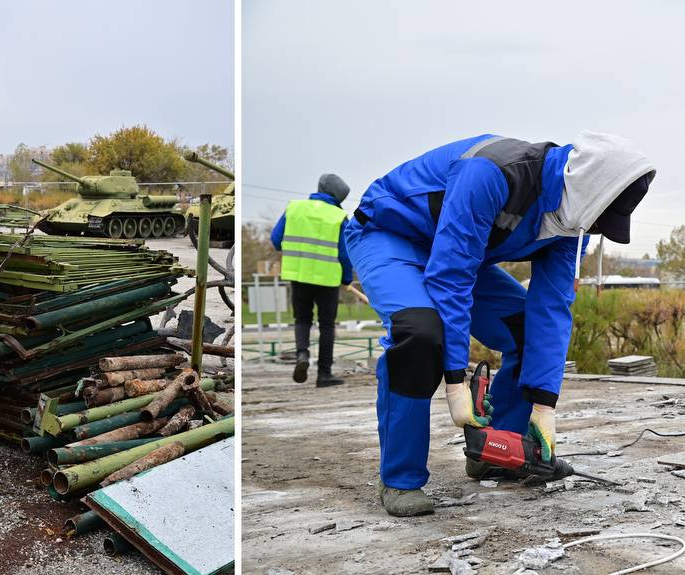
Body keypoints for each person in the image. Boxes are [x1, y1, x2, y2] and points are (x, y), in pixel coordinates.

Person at [343, 132, 654, 516]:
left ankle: (494, 449)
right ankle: (401, 479)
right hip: (391, 236)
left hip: (459, 257)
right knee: (419, 333)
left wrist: (545, 406)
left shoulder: (572, 222)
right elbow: (451, 275)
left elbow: (552, 307)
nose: (590, 231)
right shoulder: (492, 172)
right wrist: (455, 383)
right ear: (588, 187)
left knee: (528, 330)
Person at [271, 174, 354, 387]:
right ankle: (324, 374)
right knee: (326, 325)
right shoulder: (338, 216)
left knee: (302, 319)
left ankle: (302, 354)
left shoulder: (295, 208)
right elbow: (344, 254)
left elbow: (276, 239)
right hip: (328, 279)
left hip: (298, 275)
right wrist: (346, 278)